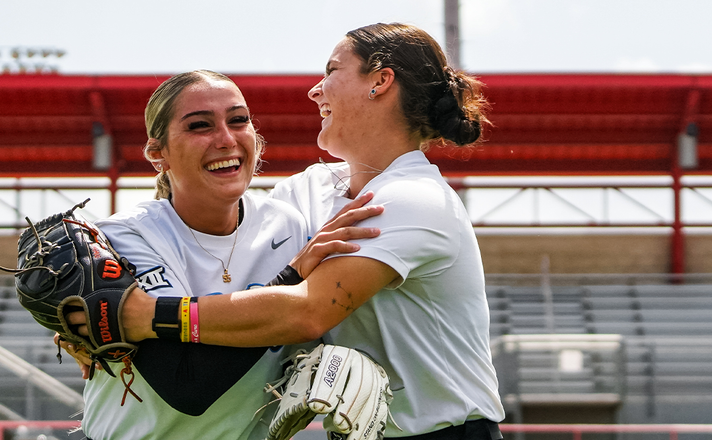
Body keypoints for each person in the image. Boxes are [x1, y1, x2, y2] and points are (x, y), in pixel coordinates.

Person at [98, 22, 506, 439]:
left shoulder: (414, 198)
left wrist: (145, 317)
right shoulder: (307, 190)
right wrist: (81, 324)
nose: (315, 90)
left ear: (380, 82)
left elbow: (307, 311)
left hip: (447, 432)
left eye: (331, 71)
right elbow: (236, 234)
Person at [68, 70, 382, 440]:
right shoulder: (125, 235)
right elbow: (187, 383)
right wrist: (291, 279)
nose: (226, 139)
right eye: (200, 126)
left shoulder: (290, 227)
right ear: (158, 154)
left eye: (238, 120)